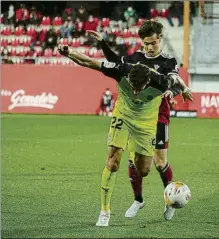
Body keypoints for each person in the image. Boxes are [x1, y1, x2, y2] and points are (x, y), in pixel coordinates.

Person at [57, 43, 192, 227]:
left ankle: (133, 153)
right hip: (123, 115)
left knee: (144, 170)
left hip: (146, 122)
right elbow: (90, 62)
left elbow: (177, 80)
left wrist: (184, 90)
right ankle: (105, 211)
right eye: (133, 86)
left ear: (148, 82)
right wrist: (69, 52)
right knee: (112, 162)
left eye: (141, 88)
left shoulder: (161, 80)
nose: (136, 91)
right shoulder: (121, 70)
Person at [86, 20, 192, 221]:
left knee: (160, 162)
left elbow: (175, 81)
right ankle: (138, 200)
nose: (150, 47)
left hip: (159, 112)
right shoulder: (135, 57)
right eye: (146, 44)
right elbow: (116, 62)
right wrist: (102, 44)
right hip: (135, 112)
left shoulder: (169, 61)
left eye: (153, 43)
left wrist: (173, 91)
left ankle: (169, 200)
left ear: (159, 39)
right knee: (133, 161)